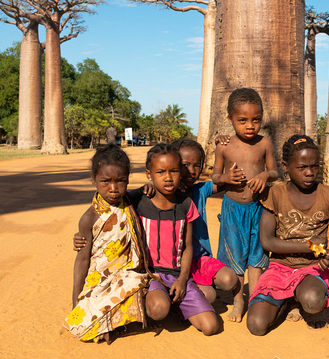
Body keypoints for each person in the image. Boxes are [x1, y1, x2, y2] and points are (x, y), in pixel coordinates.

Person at [246, 135, 329, 335]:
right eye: (302, 167)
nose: (309, 173)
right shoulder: (276, 194)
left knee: (313, 302)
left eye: (315, 166)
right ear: (286, 166)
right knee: (256, 325)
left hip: (311, 269)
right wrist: (308, 246)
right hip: (280, 268)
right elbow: (267, 241)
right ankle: (287, 302)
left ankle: (299, 301)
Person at [63, 145, 151, 344]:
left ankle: (114, 324)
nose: (113, 188)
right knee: (83, 326)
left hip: (127, 274)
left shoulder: (128, 201)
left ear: (127, 179)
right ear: (93, 180)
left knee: (139, 286)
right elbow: (82, 259)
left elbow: (140, 191)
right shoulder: (89, 218)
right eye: (105, 181)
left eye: (121, 181)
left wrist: (147, 188)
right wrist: (76, 300)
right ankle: (112, 322)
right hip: (100, 280)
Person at [134, 143, 220, 336]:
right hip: (151, 275)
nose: (168, 177)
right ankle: (156, 301)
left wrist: (182, 280)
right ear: (149, 174)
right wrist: (83, 234)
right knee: (158, 309)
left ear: (181, 173)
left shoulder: (185, 204)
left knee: (211, 327)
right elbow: (110, 205)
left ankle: (175, 301)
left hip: (178, 274)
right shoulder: (139, 202)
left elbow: (188, 247)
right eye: (160, 172)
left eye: (173, 171)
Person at [212, 87, 279, 322]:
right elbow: (215, 177)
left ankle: (256, 299)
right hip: (232, 210)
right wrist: (226, 179)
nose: (250, 126)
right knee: (236, 258)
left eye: (256, 120)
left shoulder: (264, 144)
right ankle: (238, 300)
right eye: (242, 120)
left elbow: (275, 171)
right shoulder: (224, 145)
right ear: (230, 119)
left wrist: (265, 176)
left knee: (256, 256)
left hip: (258, 209)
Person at [171, 138, 242, 321]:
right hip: (176, 265)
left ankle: (198, 286)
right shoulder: (165, 195)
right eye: (185, 165)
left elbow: (225, 180)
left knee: (229, 279)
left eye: (197, 166)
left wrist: (223, 145)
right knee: (209, 296)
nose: (192, 171)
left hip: (201, 259)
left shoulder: (200, 190)